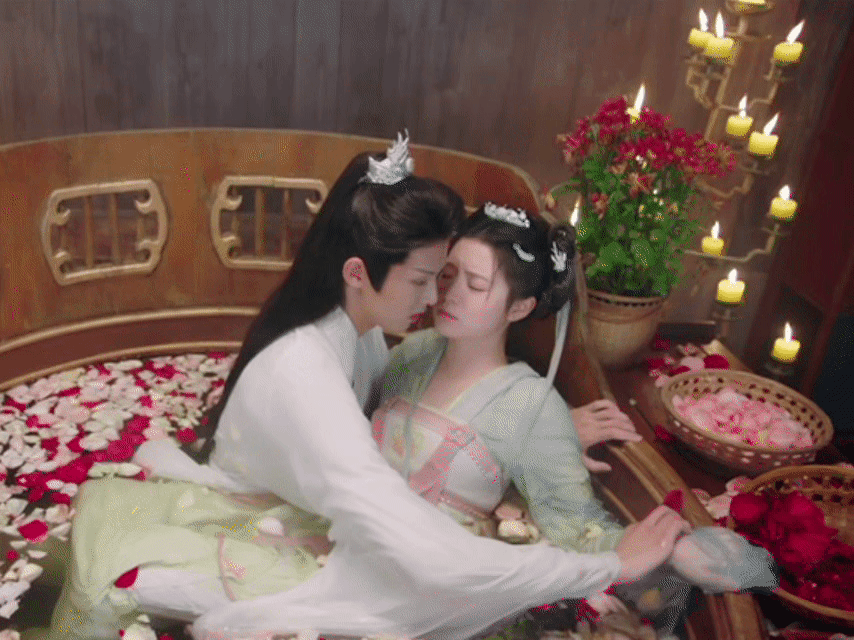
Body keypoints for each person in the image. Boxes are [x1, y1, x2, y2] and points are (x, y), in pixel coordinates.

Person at [45, 134, 689, 640]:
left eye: (463, 281)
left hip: (358, 520)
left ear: (521, 309)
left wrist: (534, 432)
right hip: (343, 529)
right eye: (430, 279)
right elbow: (404, 515)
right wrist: (604, 567)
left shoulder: (367, 334)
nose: (437, 298)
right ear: (358, 272)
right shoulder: (325, 367)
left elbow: (431, 425)